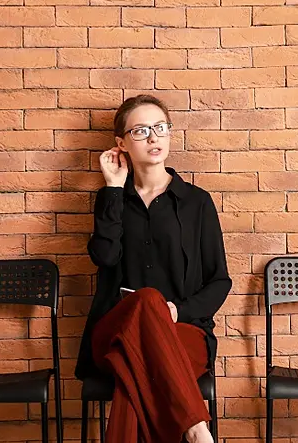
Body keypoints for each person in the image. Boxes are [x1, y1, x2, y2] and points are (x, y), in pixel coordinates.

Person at [75, 94, 232, 443]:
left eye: (160, 128)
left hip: (184, 331)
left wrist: (178, 310)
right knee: (147, 300)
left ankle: (195, 431)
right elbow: (103, 257)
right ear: (121, 143)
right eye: (141, 130)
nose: (153, 138)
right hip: (115, 330)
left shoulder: (197, 202)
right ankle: (195, 429)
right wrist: (114, 190)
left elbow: (219, 280)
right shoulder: (110, 199)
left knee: (134, 381)